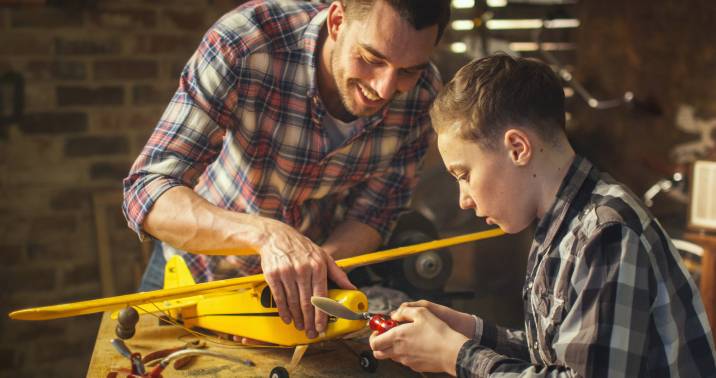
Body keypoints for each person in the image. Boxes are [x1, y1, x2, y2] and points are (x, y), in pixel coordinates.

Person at [369, 54, 716, 377]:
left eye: (465, 175)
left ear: (517, 148)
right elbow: (558, 357)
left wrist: (455, 356)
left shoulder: (607, 231)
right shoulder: (564, 223)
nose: (464, 200)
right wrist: (470, 332)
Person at [122, 0, 450, 341]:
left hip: (297, 305)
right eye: (371, 59)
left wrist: (303, 282)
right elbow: (147, 191)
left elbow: (375, 215)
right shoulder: (245, 43)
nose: (383, 88)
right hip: (194, 281)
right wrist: (267, 236)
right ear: (337, 21)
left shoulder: (423, 96)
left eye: (408, 71)